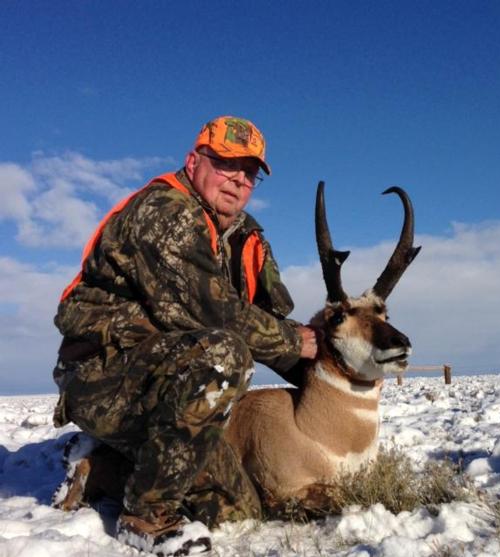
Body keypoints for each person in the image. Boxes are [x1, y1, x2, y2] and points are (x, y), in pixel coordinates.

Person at [51, 116, 318, 555]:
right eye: (226, 164)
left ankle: (101, 470)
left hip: (170, 381)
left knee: (236, 511)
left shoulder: (245, 237)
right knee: (223, 353)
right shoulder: (164, 212)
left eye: (249, 173)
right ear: (194, 161)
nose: (237, 180)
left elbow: (273, 321)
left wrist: (332, 359)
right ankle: (146, 516)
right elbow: (215, 315)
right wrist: (296, 343)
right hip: (103, 376)